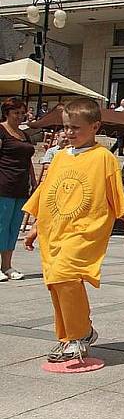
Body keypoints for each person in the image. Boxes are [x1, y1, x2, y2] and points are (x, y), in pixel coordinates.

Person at [22, 98, 124, 362]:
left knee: (65, 275)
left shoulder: (104, 158)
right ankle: (71, 336)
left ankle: (78, 336)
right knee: (57, 283)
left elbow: (117, 196)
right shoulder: (61, 157)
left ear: (95, 126)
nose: (69, 133)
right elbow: (46, 192)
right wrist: (35, 227)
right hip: (55, 231)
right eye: (66, 127)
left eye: (76, 127)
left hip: (84, 231)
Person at [0, 98, 36, 282]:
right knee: (1, 225)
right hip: (3, 185)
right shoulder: (1, 130)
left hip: (21, 186)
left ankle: (7, 265)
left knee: (14, 227)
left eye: (22, 113)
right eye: (16, 113)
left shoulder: (24, 135)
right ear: (6, 113)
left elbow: (28, 159)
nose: (20, 117)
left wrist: (33, 180)